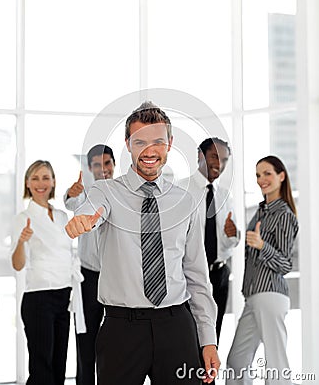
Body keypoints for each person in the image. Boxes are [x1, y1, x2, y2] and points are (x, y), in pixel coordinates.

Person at [65, 101, 221, 385]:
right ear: (128, 144)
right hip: (121, 330)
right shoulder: (106, 191)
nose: (149, 151)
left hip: (176, 326)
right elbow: (90, 209)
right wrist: (82, 219)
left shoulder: (186, 201)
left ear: (170, 143)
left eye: (158, 141)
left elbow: (197, 275)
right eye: (140, 142)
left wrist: (208, 339)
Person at [226, 155, 298, 385]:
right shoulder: (261, 212)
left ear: (281, 176)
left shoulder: (284, 215)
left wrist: (262, 245)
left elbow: (286, 264)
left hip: (271, 295)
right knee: (237, 362)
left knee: (276, 365)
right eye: (258, 175)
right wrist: (235, 235)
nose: (261, 179)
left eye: (267, 173)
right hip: (253, 296)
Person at [11, 160, 84, 385]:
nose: (40, 183)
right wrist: (22, 243)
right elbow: (17, 264)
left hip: (63, 297)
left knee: (59, 366)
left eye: (45, 177)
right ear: (27, 183)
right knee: (42, 370)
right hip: (38, 299)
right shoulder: (23, 219)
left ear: (53, 182)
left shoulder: (62, 216)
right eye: (35, 178)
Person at [179, 137, 240, 345]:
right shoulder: (181, 191)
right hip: (188, 276)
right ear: (200, 155)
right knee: (189, 340)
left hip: (219, 274)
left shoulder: (224, 196)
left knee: (214, 339)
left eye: (224, 160)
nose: (219, 164)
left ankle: (209, 379)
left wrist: (232, 236)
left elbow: (226, 243)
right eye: (214, 156)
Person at [64, 144, 115, 385]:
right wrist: (73, 193)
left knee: (115, 343)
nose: (103, 169)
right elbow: (71, 203)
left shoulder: (121, 193)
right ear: (90, 168)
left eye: (107, 164)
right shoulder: (85, 194)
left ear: (114, 165)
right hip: (88, 279)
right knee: (85, 342)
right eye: (97, 165)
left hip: (115, 279)